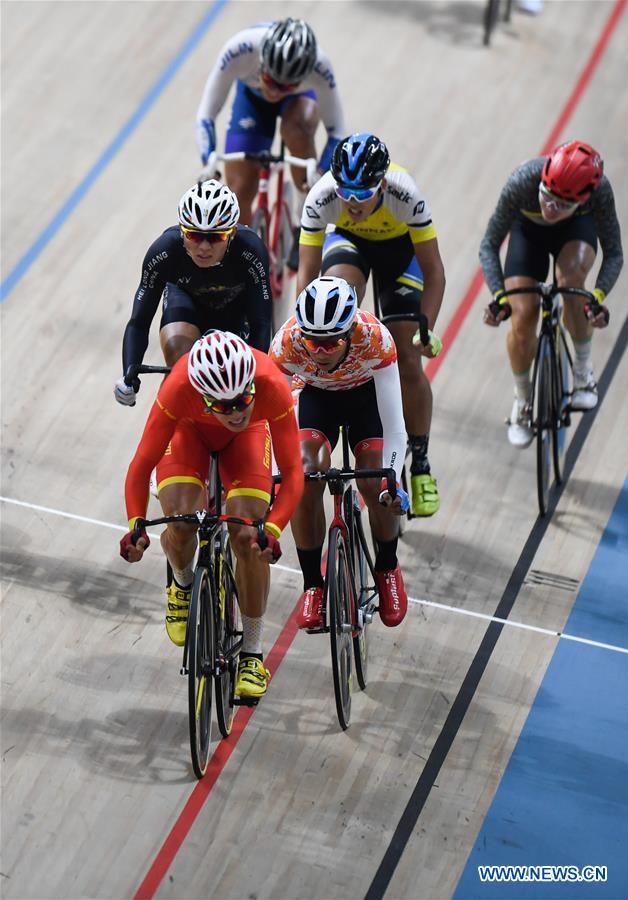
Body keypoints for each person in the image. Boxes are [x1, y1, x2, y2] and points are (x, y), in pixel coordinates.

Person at [119, 331, 304, 699]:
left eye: (242, 400)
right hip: (190, 431)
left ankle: (252, 653)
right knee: (181, 519)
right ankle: (183, 582)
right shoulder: (178, 387)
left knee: (248, 539)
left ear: (252, 384)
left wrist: (272, 529)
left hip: (250, 439)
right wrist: (135, 524)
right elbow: (140, 467)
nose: (236, 411)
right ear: (203, 395)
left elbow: (295, 475)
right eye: (224, 405)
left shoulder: (270, 385)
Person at [296, 133, 446, 517]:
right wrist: (307, 333)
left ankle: (422, 463)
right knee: (339, 296)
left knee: (408, 359)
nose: (352, 202)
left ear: (381, 184)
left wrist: (425, 327)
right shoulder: (323, 196)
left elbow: (435, 274)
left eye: (362, 195)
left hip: (400, 255)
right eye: (346, 193)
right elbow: (308, 279)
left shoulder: (405, 193)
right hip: (348, 243)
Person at [270, 275, 410, 629]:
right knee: (302, 474)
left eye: (330, 342)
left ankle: (387, 567)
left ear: (349, 333)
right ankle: (313, 586)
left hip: (366, 400)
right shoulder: (286, 345)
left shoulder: (375, 339)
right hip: (316, 399)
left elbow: (395, 428)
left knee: (375, 483)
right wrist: (277, 478)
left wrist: (391, 484)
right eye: (313, 342)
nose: (320, 351)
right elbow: (274, 424)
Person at [480, 140, 623, 447]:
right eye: (546, 196)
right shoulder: (523, 181)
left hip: (575, 232)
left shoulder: (599, 192)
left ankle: (583, 371)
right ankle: (523, 398)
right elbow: (489, 244)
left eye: (561, 204)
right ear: (542, 179)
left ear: (583, 198)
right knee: (523, 314)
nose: (549, 207)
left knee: (571, 280)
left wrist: (597, 296)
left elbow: (614, 254)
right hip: (527, 234)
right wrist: (499, 297)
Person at [195, 18, 346, 268]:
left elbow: (337, 131)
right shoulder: (240, 49)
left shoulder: (320, 68)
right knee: (239, 188)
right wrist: (208, 157)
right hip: (252, 101)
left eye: (285, 85)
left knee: (297, 128)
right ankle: (239, 258)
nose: (275, 92)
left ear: (303, 75)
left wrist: (318, 173)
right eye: (270, 79)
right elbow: (206, 114)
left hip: (298, 103)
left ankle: (302, 218)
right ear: (261, 61)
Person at [114, 180, 272, 407]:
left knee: (236, 378)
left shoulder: (250, 251)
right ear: (181, 231)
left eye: (216, 237)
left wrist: (255, 379)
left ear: (233, 233)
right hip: (186, 303)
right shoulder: (164, 251)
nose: (204, 247)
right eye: (194, 236)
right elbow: (139, 322)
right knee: (181, 363)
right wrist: (129, 375)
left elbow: (262, 323)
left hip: (237, 310)